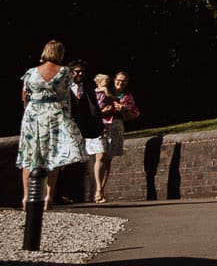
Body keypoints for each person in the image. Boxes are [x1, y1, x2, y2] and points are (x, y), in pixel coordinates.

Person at [18, 40, 86, 211]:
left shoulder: (31, 73)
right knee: (54, 156)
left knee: (29, 155)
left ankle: (27, 197)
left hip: (33, 114)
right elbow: (67, 98)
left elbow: (24, 97)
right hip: (55, 113)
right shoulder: (64, 72)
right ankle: (48, 197)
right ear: (60, 53)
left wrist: (29, 114)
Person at [95, 71, 139, 203]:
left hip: (116, 125)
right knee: (100, 155)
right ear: (114, 80)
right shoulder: (103, 90)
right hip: (102, 125)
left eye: (124, 81)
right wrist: (103, 111)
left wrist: (123, 109)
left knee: (108, 159)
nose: (120, 82)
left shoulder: (127, 96)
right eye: (118, 80)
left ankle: (102, 190)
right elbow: (93, 107)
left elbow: (135, 114)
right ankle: (97, 189)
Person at [63, 62, 103, 204]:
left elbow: (94, 108)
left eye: (82, 72)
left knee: (79, 160)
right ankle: (64, 193)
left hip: (85, 128)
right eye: (77, 72)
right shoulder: (64, 87)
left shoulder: (88, 88)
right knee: (68, 160)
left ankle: (72, 195)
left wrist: (98, 125)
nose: (80, 74)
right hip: (68, 127)